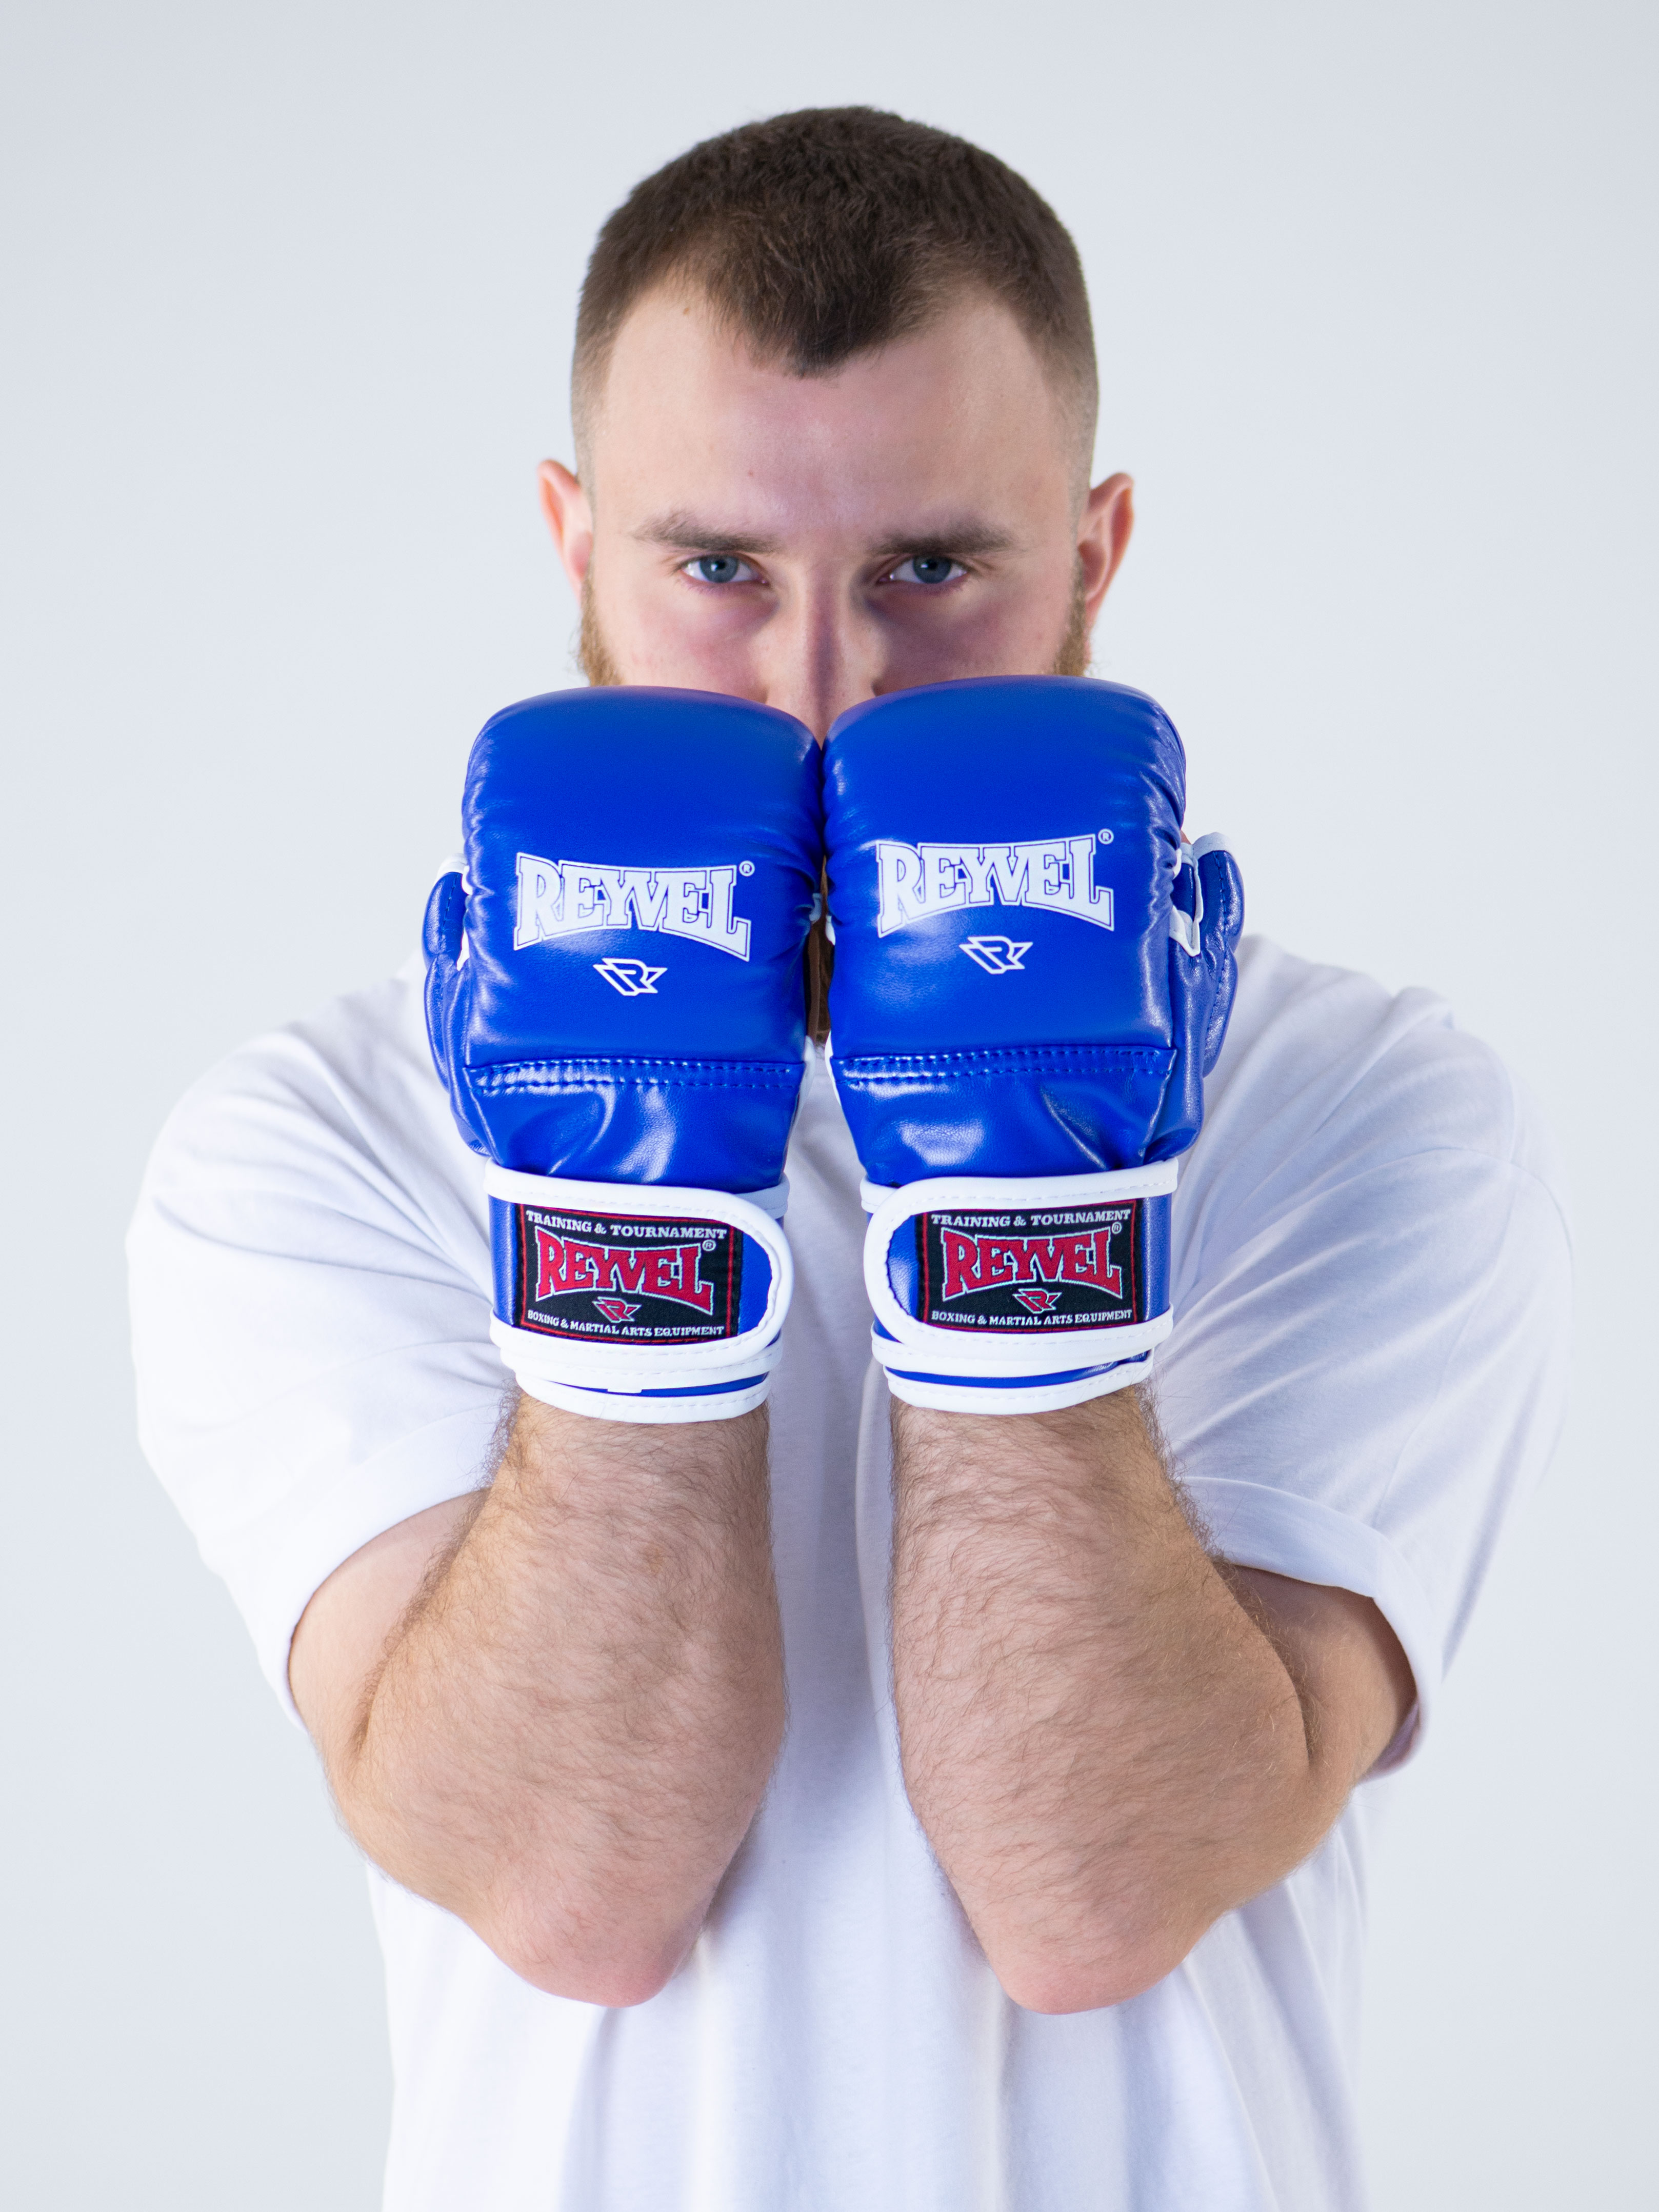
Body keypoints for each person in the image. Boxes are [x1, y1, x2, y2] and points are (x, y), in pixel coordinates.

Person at [128, 108, 1570, 2211]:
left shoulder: (1357, 1107)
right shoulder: (324, 1138)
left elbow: (1094, 1891)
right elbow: (569, 1885)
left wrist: (1024, 1177)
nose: (824, 683)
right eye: (716, 568)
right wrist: (625, 1186)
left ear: (1094, 553)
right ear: (572, 542)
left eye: (932, 568)